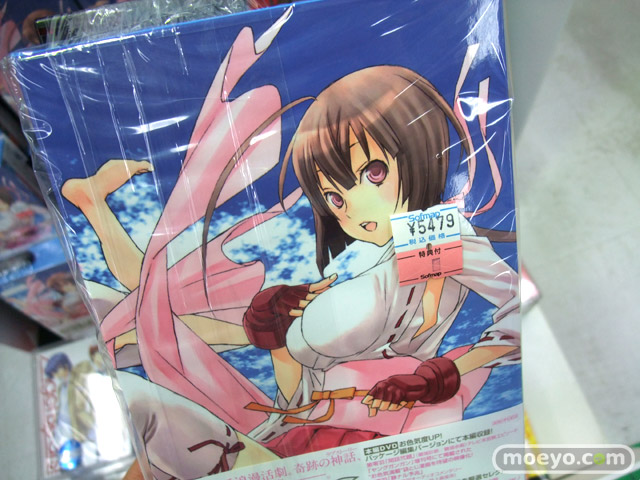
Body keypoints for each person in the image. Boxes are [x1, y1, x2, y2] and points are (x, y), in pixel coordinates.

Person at [60, 7, 519, 476]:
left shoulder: (431, 239)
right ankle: (94, 207)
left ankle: (94, 208)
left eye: (373, 172)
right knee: (152, 309)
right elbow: (298, 394)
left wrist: (447, 372)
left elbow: (517, 307)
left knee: (150, 329)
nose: (352, 209)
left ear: (417, 148)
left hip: (377, 447)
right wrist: (274, 338)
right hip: (301, 444)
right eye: (334, 197)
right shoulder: (368, 261)